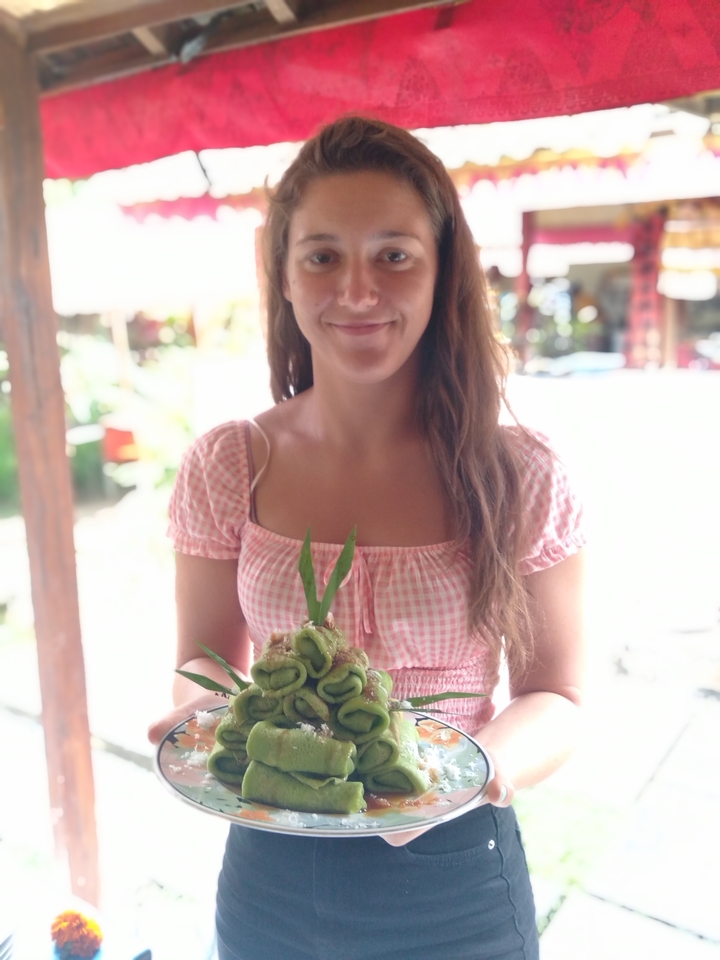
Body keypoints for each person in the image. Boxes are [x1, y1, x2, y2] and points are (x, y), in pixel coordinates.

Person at [148, 116, 586, 960]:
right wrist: (208, 713)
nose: (356, 291)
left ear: (441, 270)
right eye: (322, 256)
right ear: (283, 274)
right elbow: (204, 654)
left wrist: (464, 777)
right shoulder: (228, 463)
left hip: (456, 873)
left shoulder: (519, 472)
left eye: (394, 255)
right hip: (271, 865)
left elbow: (558, 697)